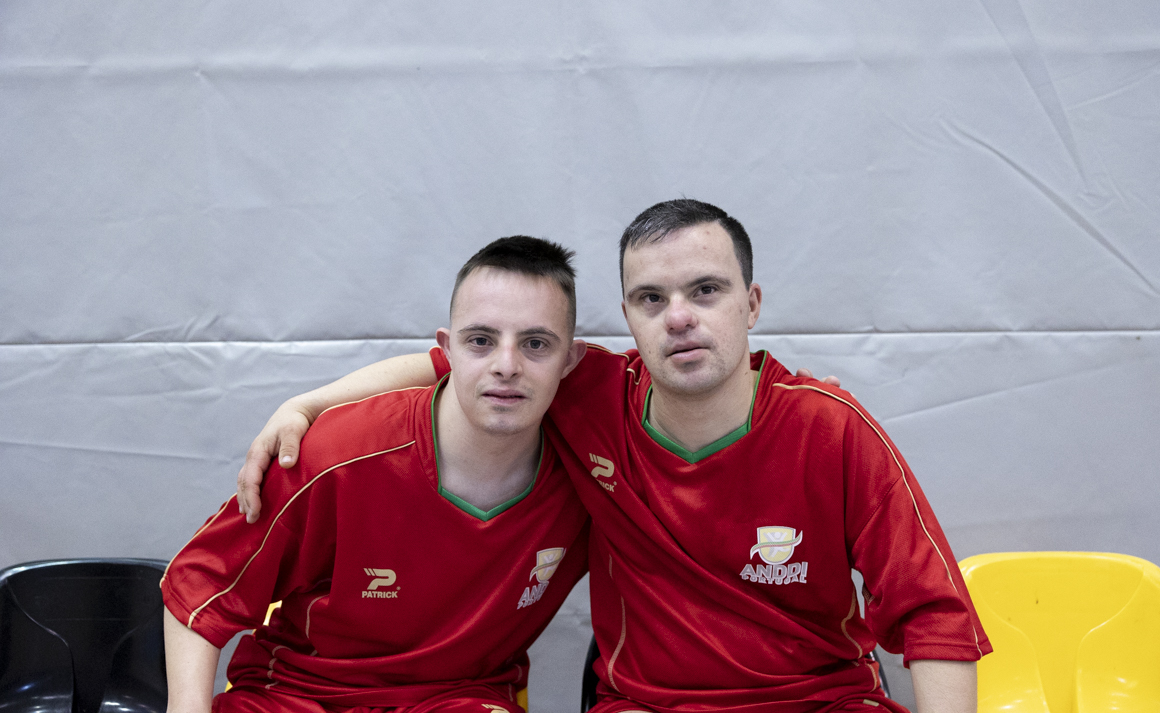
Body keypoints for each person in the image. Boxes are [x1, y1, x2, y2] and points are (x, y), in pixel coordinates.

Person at [238, 200, 990, 713]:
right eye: (652, 298)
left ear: (751, 304)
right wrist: (310, 405)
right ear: (627, 315)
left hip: (817, 699)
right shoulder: (584, 391)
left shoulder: (833, 430)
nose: (681, 317)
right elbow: (456, 366)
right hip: (646, 704)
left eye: (705, 289)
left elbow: (934, 615)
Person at [162, 237, 591, 713]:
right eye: (481, 341)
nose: (506, 366)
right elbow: (198, 591)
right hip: (298, 692)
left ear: (571, 360)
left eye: (535, 344)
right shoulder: (332, 456)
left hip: (459, 697)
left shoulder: (596, 465)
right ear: (447, 350)